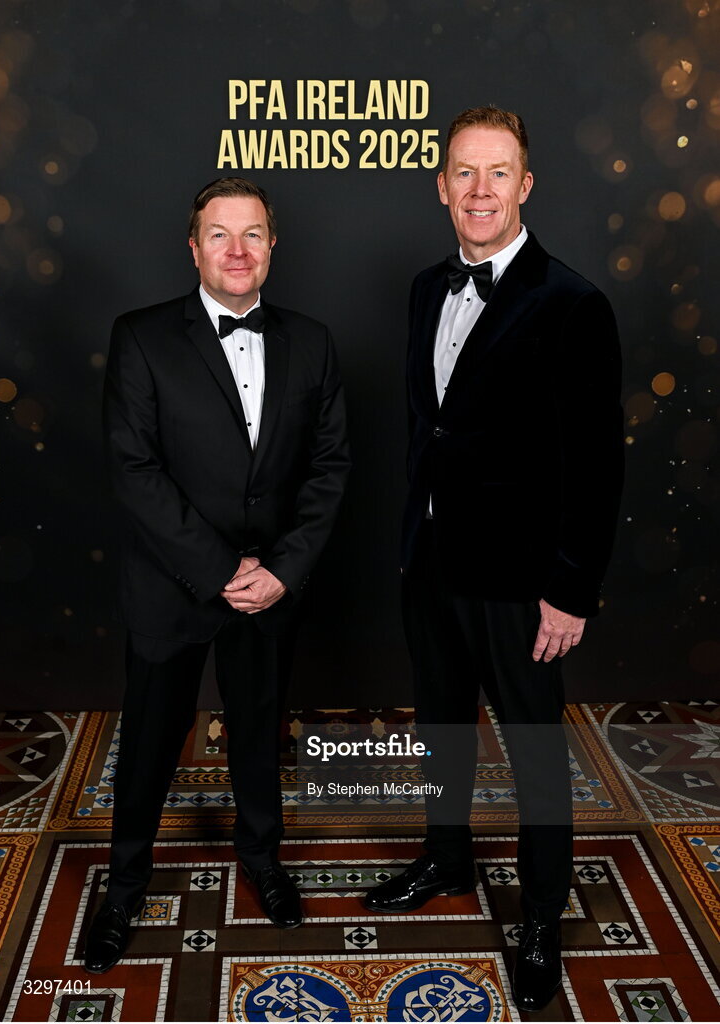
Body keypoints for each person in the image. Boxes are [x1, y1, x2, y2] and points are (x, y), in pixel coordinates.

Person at [365, 107, 623, 1013]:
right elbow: (429, 428)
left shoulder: (572, 303)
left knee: (535, 754)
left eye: (497, 172)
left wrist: (568, 590)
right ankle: (444, 858)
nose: (479, 190)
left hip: (522, 583)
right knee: (441, 726)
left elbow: (596, 466)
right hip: (431, 560)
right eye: (463, 173)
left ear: (524, 185)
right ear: (441, 185)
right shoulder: (423, 289)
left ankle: (542, 914)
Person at [85, 177, 350, 973]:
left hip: (270, 587)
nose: (237, 250)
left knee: (259, 734)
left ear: (274, 246)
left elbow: (330, 468)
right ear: (193, 246)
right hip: (173, 584)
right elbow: (134, 470)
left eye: (254, 234)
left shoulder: (313, 341)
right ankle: (125, 882)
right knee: (150, 742)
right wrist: (219, 567)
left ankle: (262, 861)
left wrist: (281, 570)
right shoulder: (140, 337)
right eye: (220, 234)